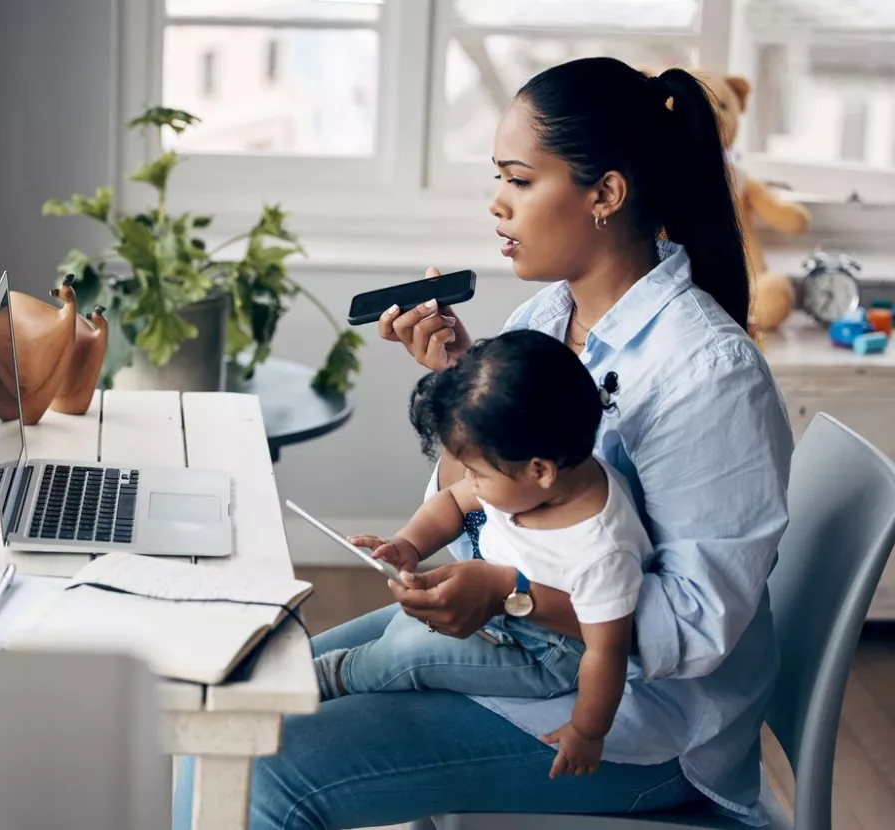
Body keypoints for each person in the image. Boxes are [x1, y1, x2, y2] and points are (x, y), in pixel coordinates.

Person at [172, 56, 793, 829]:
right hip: (516, 646)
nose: (497, 205)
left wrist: (513, 593)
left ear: (605, 194)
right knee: (237, 704)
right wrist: (466, 392)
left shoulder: (709, 378)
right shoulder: (541, 322)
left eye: (519, 180)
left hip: (635, 726)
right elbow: (481, 514)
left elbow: (694, 629)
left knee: (267, 774)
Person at [315, 331, 652, 780]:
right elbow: (452, 504)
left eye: (475, 472)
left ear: (540, 470)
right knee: (408, 622)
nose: (467, 481)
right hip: (499, 611)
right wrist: (408, 545)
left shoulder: (601, 548)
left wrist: (588, 732)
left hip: (544, 653)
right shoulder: (527, 479)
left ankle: (339, 678)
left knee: (411, 653)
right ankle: (331, 673)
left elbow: (605, 654)